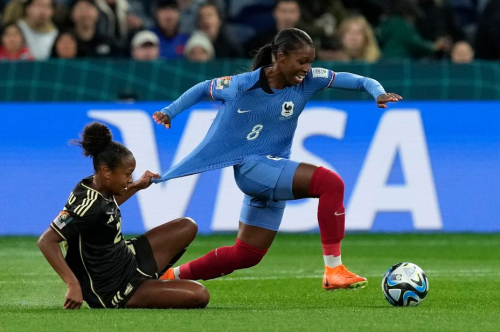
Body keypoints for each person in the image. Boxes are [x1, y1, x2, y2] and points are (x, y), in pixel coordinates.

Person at [152, 28, 402, 291]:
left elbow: (359, 80)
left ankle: (168, 277)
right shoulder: (242, 85)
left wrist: (379, 93)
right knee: (330, 184)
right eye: (301, 61)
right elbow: (203, 88)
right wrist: (170, 111)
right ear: (280, 57)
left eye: (310, 61)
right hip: (251, 166)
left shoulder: (310, 80)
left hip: (271, 168)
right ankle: (334, 269)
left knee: (246, 255)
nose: (307, 68)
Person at [38, 122, 209, 309]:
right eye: (127, 174)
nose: (130, 179)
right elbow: (46, 241)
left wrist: (136, 186)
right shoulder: (87, 205)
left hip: (127, 258)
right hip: (114, 288)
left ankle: (153, 283)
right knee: (199, 294)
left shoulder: (94, 185)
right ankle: (150, 288)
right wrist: (73, 284)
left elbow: (103, 211)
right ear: (106, 171)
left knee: (186, 226)